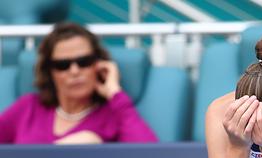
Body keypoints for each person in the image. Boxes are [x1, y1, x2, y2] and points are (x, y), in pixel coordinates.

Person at [0, 22, 157, 144]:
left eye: (84, 62)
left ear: (98, 65)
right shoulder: (28, 107)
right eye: (62, 65)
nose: (74, 71)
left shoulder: (114, 114)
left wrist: (115, 93)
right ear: (50, 72)